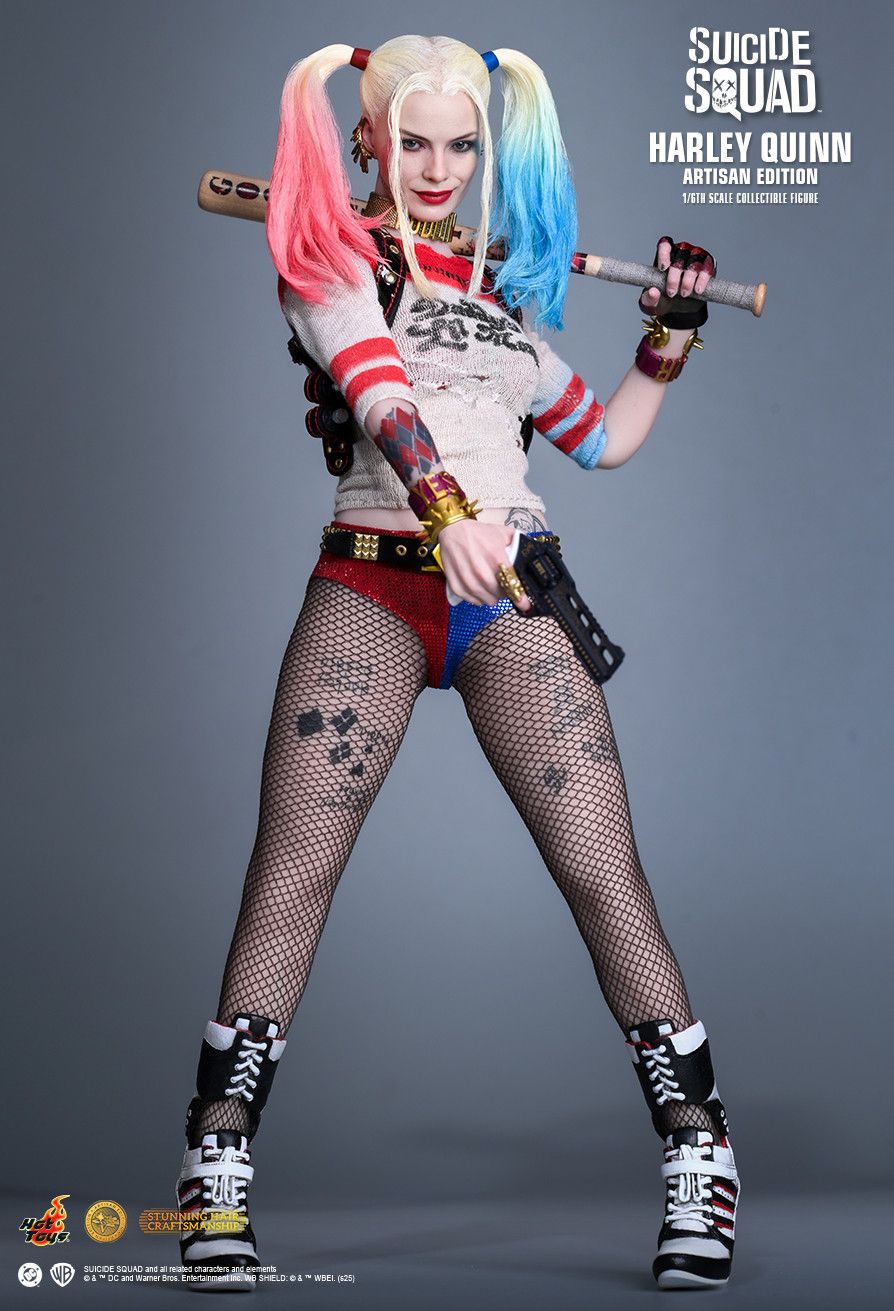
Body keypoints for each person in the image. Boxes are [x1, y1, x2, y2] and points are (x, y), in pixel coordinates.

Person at [175, 35, 739, 1293]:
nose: (437, 169)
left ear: (484, 153)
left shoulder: (499, 305)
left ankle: (703, 1151)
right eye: (412, 142)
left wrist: (668, 338)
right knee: (293, 874)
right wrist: (446, 515)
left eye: (461, 146)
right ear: (369, 142)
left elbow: (604, 441)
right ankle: (215, 1162)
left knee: (603, 870)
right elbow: (378, 391)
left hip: (514, 593)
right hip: (375, 583)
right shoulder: (331, 253)